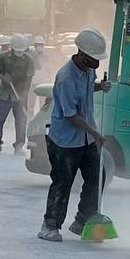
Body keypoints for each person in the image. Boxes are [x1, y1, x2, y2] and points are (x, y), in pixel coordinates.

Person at [39, 28, 112, 241]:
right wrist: (95, 132)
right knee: (63, 182)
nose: (97, 64)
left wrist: (100, 86)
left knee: (98, 176)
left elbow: (88, 89)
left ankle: (83, 221)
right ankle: (50, 225)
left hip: (86, 139)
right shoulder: (65, 78)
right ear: (82, 55)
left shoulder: (89, 72)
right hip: (65, 142)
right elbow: (71, 115)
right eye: (94, 59)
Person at [0, 34, 35, 154]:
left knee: (21, 120)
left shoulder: (28, 60)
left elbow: (28, 79)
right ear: (12, 48)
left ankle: (19, 145)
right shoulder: (3, 57)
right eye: (17, 51)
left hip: (20, 94)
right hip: (5, 93)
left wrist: (22, 95)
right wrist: (4, 78)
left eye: (21, 51)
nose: (19, 53)